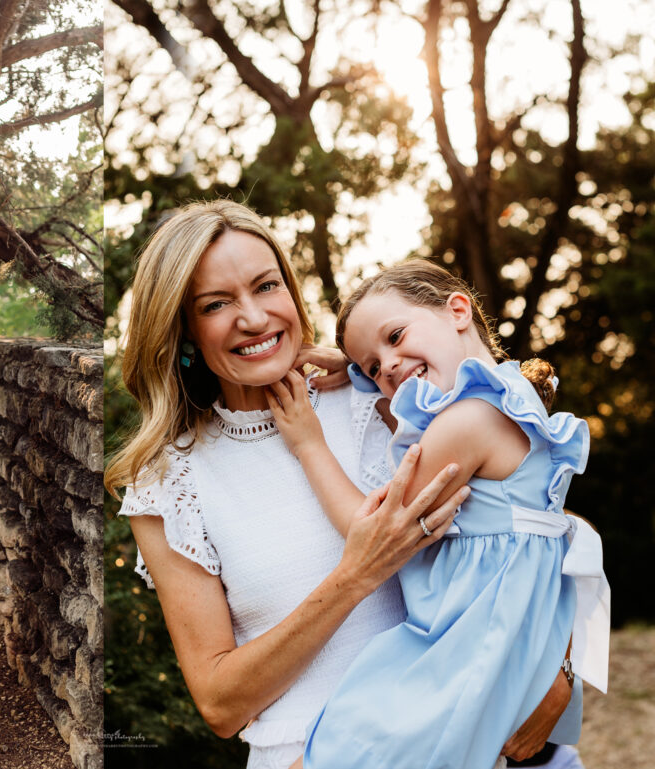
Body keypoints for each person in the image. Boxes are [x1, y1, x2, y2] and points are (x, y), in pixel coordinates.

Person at [105, 200, 583, 769]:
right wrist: (356, 575)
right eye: (216, 304)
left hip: (466, 740)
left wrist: (561, 671)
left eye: (266, 286)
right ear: (183, 328)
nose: (254, 318)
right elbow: (219, 703)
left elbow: (536, 519)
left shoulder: (391, 395)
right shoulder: (167, 481)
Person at [265, 260, 606, 768]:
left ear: (459, 310)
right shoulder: (513, 401)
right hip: (511, 652)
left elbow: (377, 531)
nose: (389, 367)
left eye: (396, 336)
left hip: (462, 659)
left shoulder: (464, 423)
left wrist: (309, 444)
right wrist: (357, 369)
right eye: (373, 366)